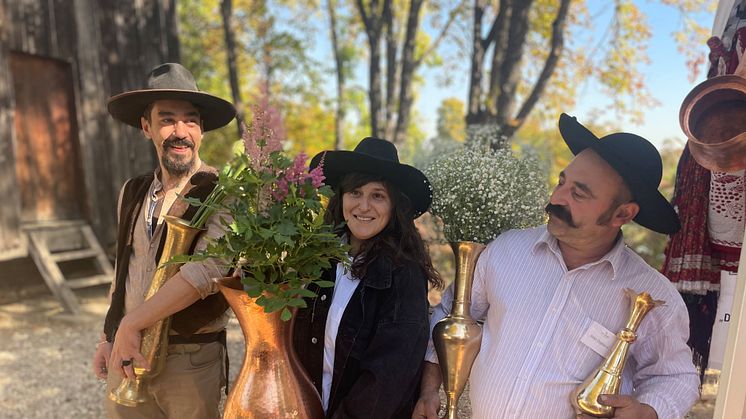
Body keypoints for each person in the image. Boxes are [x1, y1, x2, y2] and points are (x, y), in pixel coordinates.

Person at [413, 114, 700, 419]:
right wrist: (429, 390)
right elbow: (451, 313)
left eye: (578, 193)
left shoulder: (652, 295)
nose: (556, 197)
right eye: (562, 181)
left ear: (622, 214)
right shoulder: (507, 250)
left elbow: (674, 377)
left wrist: (647, 412)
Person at [90, 62, 236, 419]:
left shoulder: (225, 192)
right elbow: (124, 270)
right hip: (128, 350)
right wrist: (110, 335)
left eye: (190, 120)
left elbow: (206, 274)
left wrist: (130, 324)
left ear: (201, 130)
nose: (180, 131)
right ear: (146, 127)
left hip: (191, 360)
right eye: (167, 119)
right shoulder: (132, 190)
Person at [292, 137, 443, 418]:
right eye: (356, 192)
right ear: (341, 198)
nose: (363, 206)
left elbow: (389, 375)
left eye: (378, 196)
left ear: (394, 207)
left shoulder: (404, 274)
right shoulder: (317, 259)